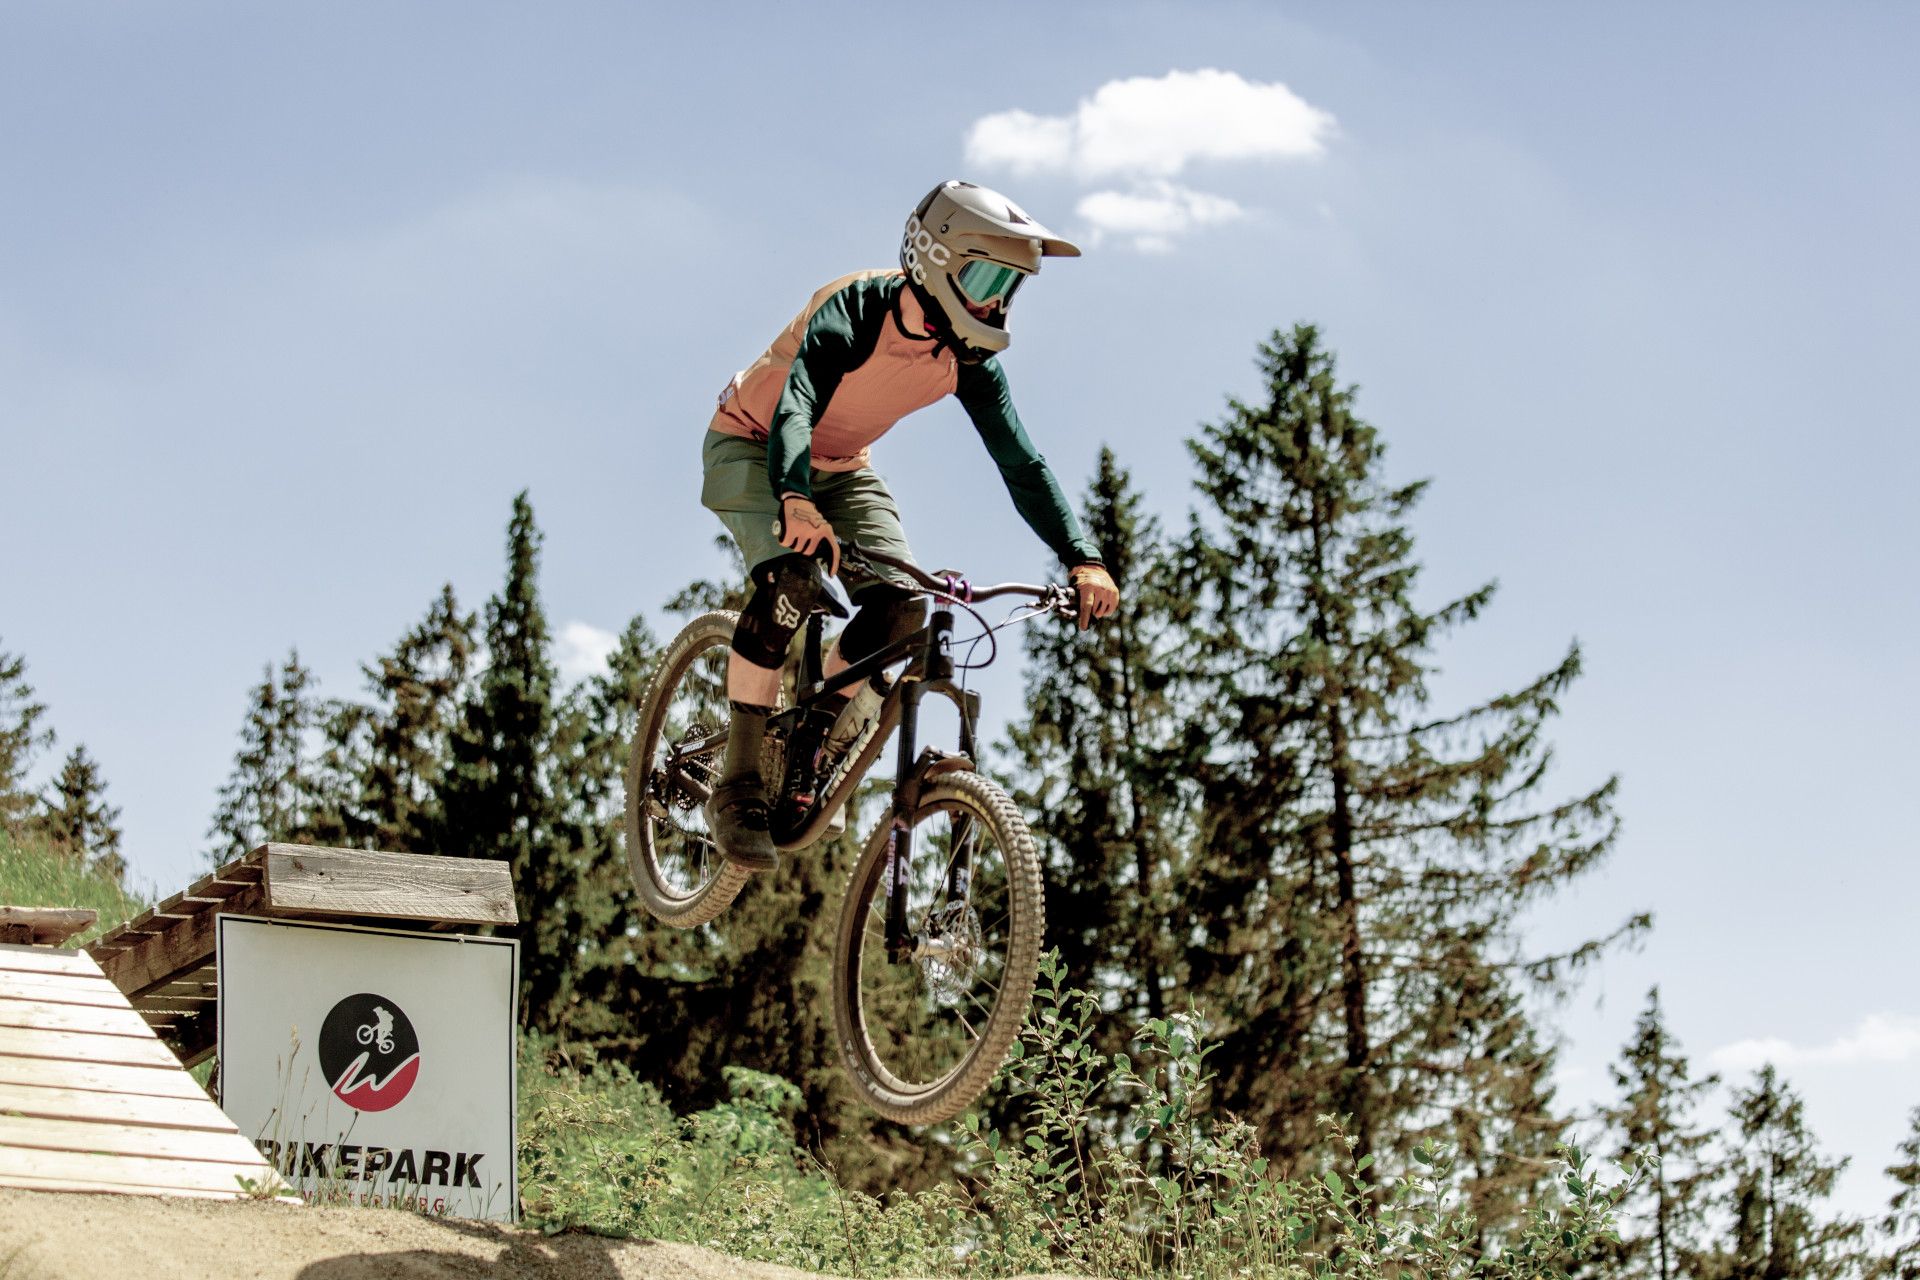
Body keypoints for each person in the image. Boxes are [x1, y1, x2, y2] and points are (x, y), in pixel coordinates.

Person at [698, 179, 1121, 872]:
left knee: (902, 609)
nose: (995, 301)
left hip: (843, 467)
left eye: (1009, 286)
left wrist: (1082, 556)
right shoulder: (857, 309)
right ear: (936, 263)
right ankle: (738, 789)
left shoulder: (969, 362)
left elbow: (1021, 462)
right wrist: (795, 498)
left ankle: (809, 741)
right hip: (754, 441)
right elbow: (797, 404)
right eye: (986, 277)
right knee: (791, 580)